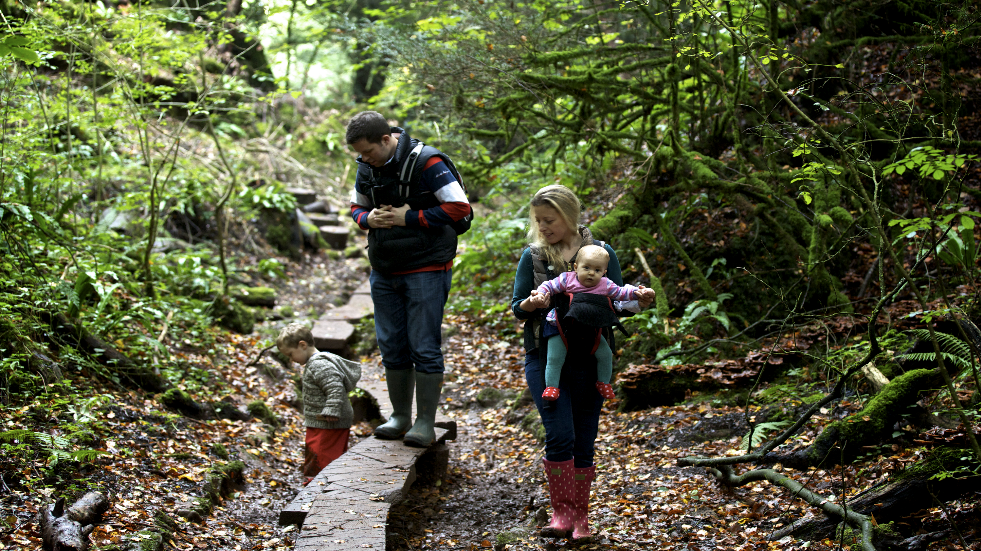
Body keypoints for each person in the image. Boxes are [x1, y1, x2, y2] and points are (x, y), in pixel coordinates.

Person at [511, 185, 653, 541]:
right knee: (560, 434)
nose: (543, 227)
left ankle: (582, 520)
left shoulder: (602, 253)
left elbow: (619, 300)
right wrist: (532, 303)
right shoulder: (533, 257)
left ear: (570, 216)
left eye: (550, 220)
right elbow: (516, 308)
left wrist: (641, 300)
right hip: (546, 358)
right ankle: (561, 515)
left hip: (591, 354)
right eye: (538, 220)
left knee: (584, 440)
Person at [346, 111, 471, 448]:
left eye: (368, 151)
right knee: (391, 345)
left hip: (426, 267)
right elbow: (355, 208)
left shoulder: (428, 162)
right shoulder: (366, 167)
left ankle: (425, 423)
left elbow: (460, 208)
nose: (364, 158)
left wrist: (409, 217)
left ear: (386, 139)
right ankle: (400, 416)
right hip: (384, 269)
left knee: (424, 346)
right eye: (360, 154)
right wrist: (368, 218)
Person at [521, 244, 655, 403]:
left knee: (605, 353)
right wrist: (541, 293)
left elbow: (621, 293)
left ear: (604, 272)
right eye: (586, 268)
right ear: (576, 267)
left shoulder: (605, 285)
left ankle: (604, 382)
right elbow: (549, 285)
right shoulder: (567, 279)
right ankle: (552, 386)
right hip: (561, 325)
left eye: (597, 270)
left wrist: (637, 293)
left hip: (590, 328)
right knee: (555, 356)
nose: (591, 273)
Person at [276, 322, 363, 483]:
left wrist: (331, 409)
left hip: (329, 421)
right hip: (320, 420)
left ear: (302, 345)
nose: (291, 359)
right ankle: (317, 483)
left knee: (322, 454)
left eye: (290, 354)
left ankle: (322, 485)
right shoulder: (314, 363)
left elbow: (335, 386)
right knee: (316, 451)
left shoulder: (319, 364)